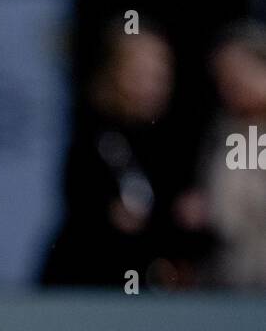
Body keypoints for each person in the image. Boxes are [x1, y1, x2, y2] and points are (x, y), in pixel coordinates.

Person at [42, 17, 185, 287]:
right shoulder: (92, 137)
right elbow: (87, 210)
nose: (152, 86)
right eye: (139, 74)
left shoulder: (173, 144)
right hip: (89, 286)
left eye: (160, 75)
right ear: (113, 72)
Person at [175, 21, 266, 288]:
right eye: (223, 78)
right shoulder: (222, 131)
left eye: (240, 73)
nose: (232, 86)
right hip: (230, 280)